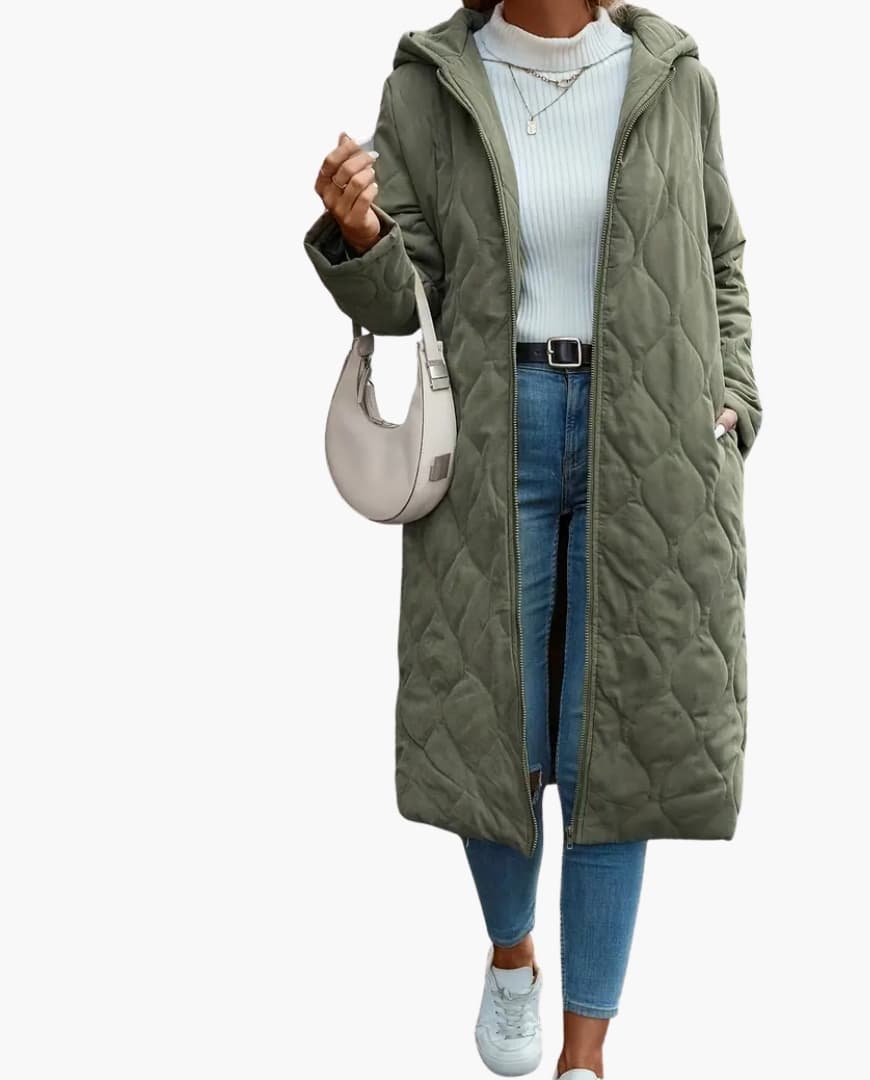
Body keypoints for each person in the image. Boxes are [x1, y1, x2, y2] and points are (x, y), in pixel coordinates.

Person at [303, 2, 762, 1077]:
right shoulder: (430, 85)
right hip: (491, 429)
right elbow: (407, 302)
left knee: (622, 738)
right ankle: (512, 954)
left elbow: (721, 257)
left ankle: (585, 1056)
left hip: (651, 436)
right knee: (491, 719)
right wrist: (360, 237)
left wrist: (734, 401)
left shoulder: (671, 78)